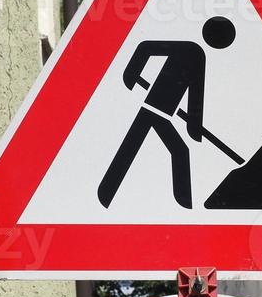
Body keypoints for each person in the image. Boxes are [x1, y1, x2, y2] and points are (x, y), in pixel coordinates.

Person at [97, 16, 237, 209]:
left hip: (160, 113)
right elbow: (146, 47)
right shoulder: (192, 51)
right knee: (174, 150)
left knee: (136, 147)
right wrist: (131, 74)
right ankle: (184, 205)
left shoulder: (195, 53)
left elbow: (195, 95)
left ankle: (105, 194)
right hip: (153, 109)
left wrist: (193, 126)